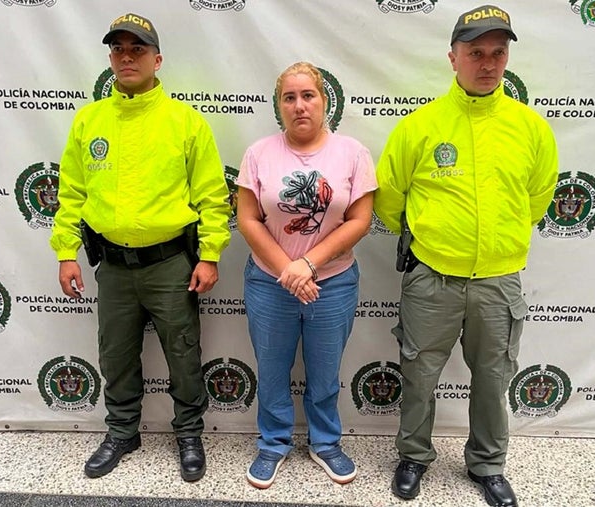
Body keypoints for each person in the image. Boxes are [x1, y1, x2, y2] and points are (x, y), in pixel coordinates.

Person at [374, 5, 558, 506]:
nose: (488, 63)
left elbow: (538, 198)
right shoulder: (420, 127)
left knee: (493, 379)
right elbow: (389, 199)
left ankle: (488, 465)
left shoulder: (530, 128)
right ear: (453, 57)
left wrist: (497, 240)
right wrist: (433, 236)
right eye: (476, 52)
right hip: (432, 278)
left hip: (498, 281)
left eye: (498, 53)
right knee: (419, 375)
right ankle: (413, 457)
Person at [50, 12, 231, 482]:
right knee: (115, 355)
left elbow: (212, 197)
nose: (127, 57)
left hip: (170, 264)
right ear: (110, 58)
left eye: (138, 49)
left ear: (157, 59)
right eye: (118, 49)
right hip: (112, 267)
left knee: (183, 354)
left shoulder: (185, 122)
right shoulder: (89, 121)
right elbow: (72, 194)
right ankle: (122, 432)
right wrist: (66, 252)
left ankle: (189, 433)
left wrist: (210, 254)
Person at [236, 61, 377, 489]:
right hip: (270, 282)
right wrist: (288, 270)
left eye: (308, 95)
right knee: (272, 369)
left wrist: (308, 264)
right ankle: (273, 443)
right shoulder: (258, 154)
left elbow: (360, 220)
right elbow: (248, 219)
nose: (299, 105)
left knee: (325, 370)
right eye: (289, 97)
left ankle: (325, 442)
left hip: (332, 283)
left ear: (324, 101)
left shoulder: (353, 153)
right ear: (279, 106)